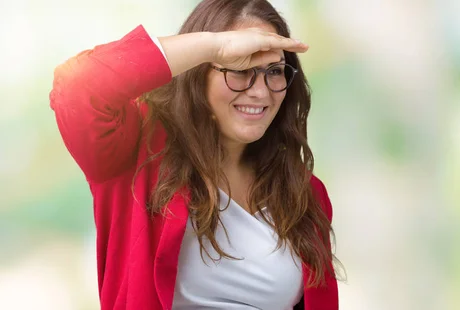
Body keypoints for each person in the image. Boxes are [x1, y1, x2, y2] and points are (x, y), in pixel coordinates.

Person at [49, 0, 340, 309]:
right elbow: (77, 86)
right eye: (240, 69)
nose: (261, 91)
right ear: (198, 73)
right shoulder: (137, 153)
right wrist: (215, 45)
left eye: (274, 71)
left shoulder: (304, 192)